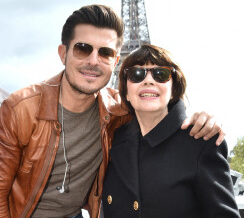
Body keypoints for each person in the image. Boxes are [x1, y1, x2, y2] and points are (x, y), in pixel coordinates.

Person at [0, 5, 225, 218]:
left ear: (115, 62)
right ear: (63, 53)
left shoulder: (118, 112)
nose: (93, 61)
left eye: (105, 52)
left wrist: (200, 119)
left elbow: (155, 107)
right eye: (83, 48)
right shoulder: (20, 109)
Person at [102, 44, 240, 218]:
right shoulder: (111, 139)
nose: (148, 80)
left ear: (174, 89)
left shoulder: (200, 141)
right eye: (136, 74)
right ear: (126, 92)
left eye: (161, 74)